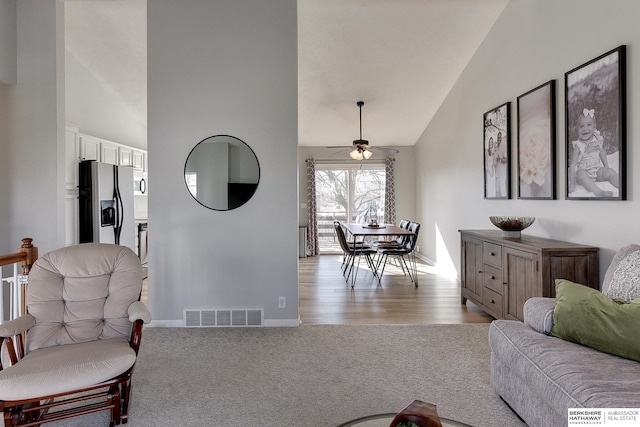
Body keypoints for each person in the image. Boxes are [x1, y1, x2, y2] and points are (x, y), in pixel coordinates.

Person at [568, 108, 619, 197]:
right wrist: (572, 184)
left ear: (595, 126)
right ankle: (599, 192)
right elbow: (572, 165)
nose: (585, 128)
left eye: (589, 125)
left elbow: (602, 152)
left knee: (610, 172)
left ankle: (621, 185)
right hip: (584, 172)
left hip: (596, 170)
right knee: (581, 174)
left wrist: (606, 167)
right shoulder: (578, 146)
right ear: (577, 129)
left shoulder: (597, 139)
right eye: (581, 126)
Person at [494, 132, 507, 197]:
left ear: (502, 138)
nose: (499, 139)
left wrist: (500, 159)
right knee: (497, 192)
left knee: (503, 191)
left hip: (502, 173)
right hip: (497, 174)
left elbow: (507, 159)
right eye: (498, 137)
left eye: (500, 137)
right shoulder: (496, 147)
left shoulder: (503, 146)